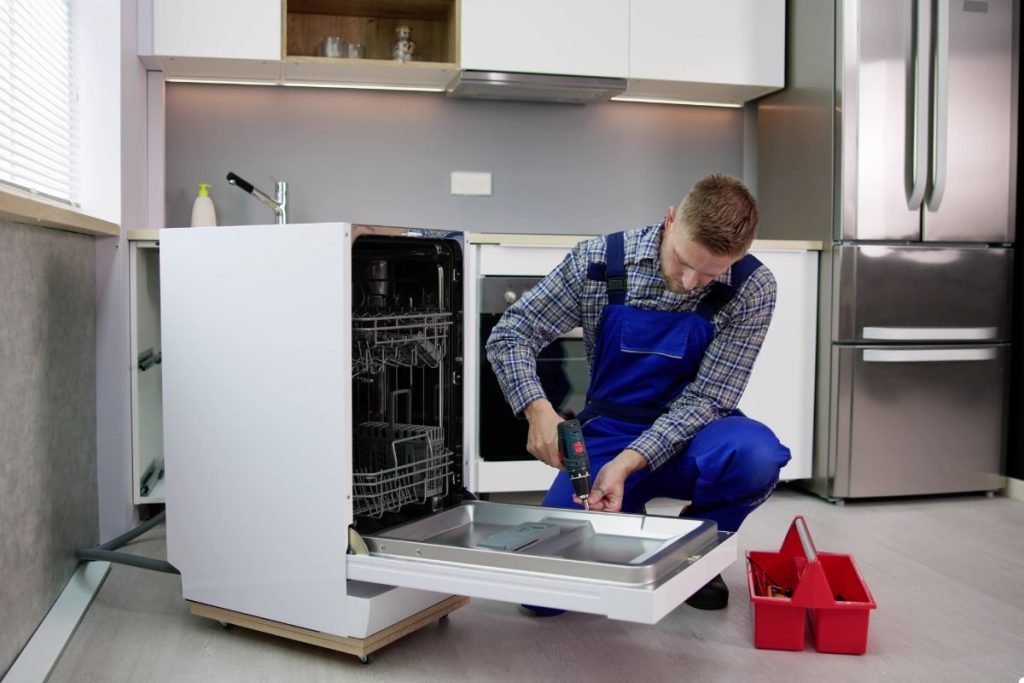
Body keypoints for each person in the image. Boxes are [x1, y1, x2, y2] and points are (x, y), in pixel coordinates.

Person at [485, 173, 792, 612]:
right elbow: (511, 333)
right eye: (684, 261)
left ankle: (696, 543)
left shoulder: (753, 287)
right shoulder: (597, 261)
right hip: (609, 432)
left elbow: (708, 399)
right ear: (670, 221)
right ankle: (628, 526)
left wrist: (630, 463)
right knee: (542, 601)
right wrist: (538, 411)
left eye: (710, 273)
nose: (690, 281)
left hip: (695, 434)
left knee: (755, 457)